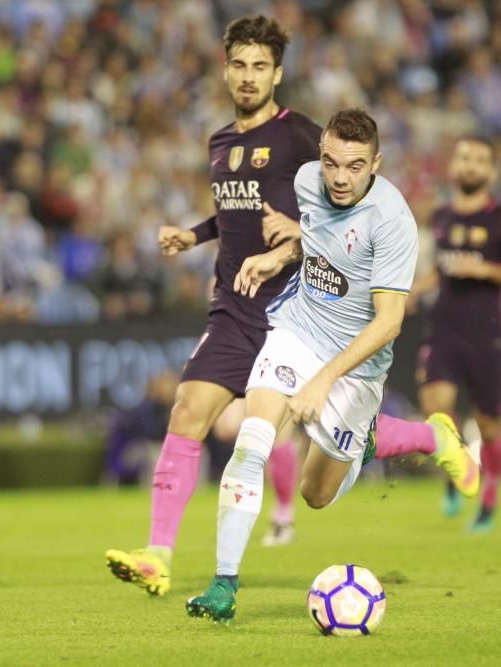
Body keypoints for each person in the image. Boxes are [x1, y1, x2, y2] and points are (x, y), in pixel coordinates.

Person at [185, 108, 479, 623]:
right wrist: (279, 257)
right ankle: (224, 584)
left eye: (354, 166)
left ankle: (431, 437)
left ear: (376, 164)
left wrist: (325, 380)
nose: (339, 178)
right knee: (252, 441)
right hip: (296, 332)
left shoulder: (392, 221)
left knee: (315, 494)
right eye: (331, 163)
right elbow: (315, 240)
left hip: (356, 367)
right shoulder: (306, 181)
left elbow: (388, 323)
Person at [105, 15, 322, 595]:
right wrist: (195, 236)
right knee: (186, 412)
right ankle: (158, 556)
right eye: (239, 65)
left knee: (320, 432)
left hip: (293, 313)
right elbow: (236, 214)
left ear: (277, 72)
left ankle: (435, 442)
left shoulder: (301, 136)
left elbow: (347, 210)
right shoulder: (220, 141)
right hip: (233, 307)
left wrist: (298, 236)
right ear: (226, 70)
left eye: (260, 67)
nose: (248, 77)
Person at [413, 137, 501, 533]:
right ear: (455, 166)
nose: (470, 166)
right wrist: (412, 291)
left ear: (491, 172)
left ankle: (491, 491)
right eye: (464, 157)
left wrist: (486, 270)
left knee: (489, 425)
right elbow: (442, 269)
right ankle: (458, 470)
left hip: (488, 335)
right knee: (436, 407)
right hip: (445, 327)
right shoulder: (442, 217)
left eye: (480, 160)